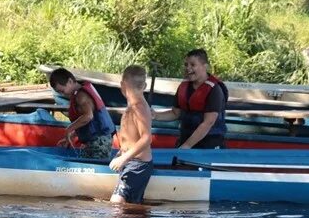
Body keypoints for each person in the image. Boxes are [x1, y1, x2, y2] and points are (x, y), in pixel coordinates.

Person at [152, 49, 228, 149]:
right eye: (186, 65)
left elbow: (208, 123)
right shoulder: (184, 87)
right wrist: (155, 115)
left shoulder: (215, 90)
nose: (188, 68)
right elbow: (175, 113)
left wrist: (186, 146)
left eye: (192, 65)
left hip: (209, 143)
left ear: (205, 66)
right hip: (185, 139)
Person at [48, 66, 116, 159]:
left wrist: (69, 129)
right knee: (83, 159)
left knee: (92, 166)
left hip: (100, 139)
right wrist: (72, 136)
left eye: (62, 91)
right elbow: (87, 123)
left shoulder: (81, 96)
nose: (62, 94)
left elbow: (88, 116)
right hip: (95, 139)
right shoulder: (78, 94)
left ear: (70, 81)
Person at [109, 65, 153, 204]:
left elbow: (146, 138)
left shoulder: (139, 107)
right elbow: (131, 137)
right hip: (131, 162)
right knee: (130, 206)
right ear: (144, 85)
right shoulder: (133, 106)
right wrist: (121, 153)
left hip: (137, 164)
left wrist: (124, 159)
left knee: (116, 204)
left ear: (122, 85)